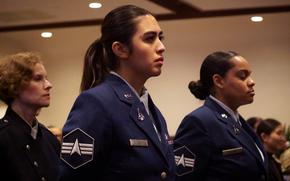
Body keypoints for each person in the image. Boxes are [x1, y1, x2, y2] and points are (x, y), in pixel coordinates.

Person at [59, 5, 175, 181]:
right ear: (120, 49)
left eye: (160, 37)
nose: (161, 47)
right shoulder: (95, 103)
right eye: (150, 38)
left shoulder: (150, 109)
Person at [173, 51, 268, 180]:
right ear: (219, 81)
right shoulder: (199, 122)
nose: (252, 82)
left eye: (250, 76)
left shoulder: (238, 121)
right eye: (242, 76)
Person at [0, 52, 60, 181]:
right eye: (38, 79)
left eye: (46, 78)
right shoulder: (3, 137)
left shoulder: (50, 139)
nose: (49, 85)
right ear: (15, 85)